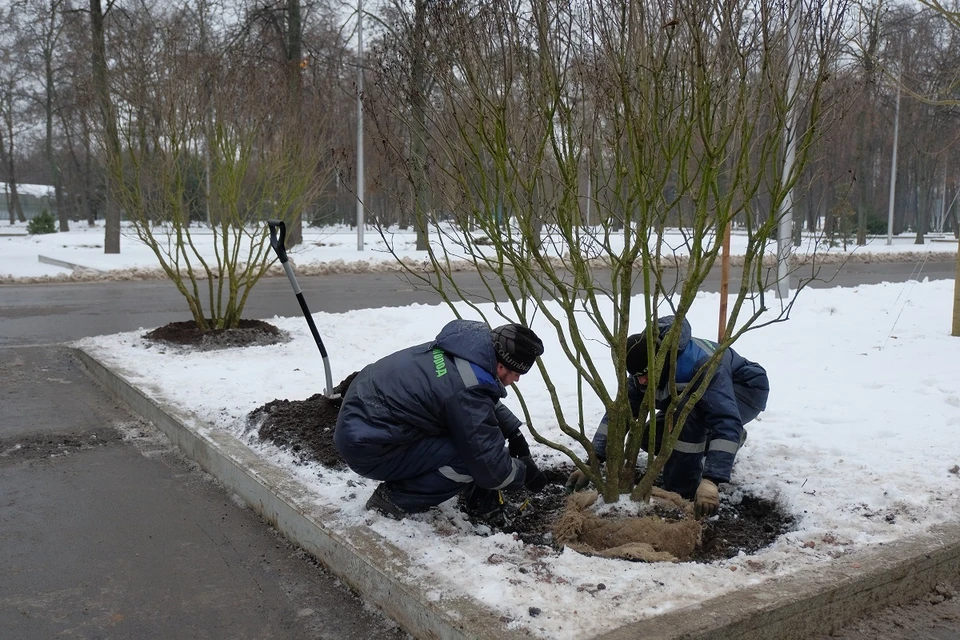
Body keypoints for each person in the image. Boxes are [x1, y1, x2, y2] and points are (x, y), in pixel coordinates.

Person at [335, 319, 548, 520]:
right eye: (517, 373)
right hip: (370, 446)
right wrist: (524, 473)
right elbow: (491, 469)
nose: (517, 379)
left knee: (472, 437)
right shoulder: (468, 390)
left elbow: (473, 398)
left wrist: (513, 432)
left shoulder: (464, 349)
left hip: (363, 418)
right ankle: (395, 500)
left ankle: (475, 497)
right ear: (501, 366)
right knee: (471, 458)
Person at [565, 315, 769, 518]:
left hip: (745, 389)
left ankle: (682, 491)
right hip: (696, 396)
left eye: (645, 375)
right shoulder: (643, 363)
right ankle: (711, 442)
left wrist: (711, 480)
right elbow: (620, 415)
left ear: (660, 363)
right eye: (637, 376)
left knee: (688, 417)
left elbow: (725, 420)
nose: (641, 382)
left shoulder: (701, 365)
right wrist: (593, 460)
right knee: (652, 436)